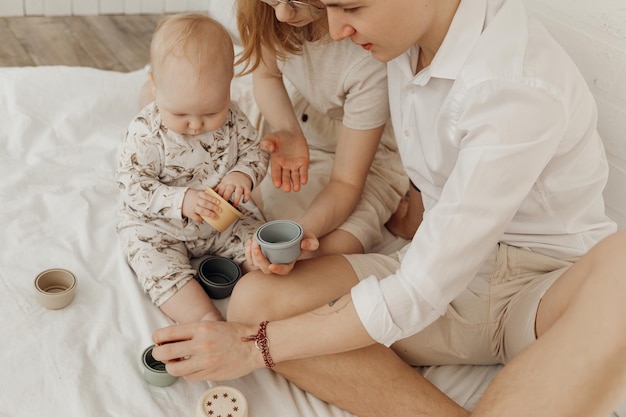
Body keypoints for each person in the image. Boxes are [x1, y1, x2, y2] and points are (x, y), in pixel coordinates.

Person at [152, 0, 626, 416]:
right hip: (450, 281)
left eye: (352, 8)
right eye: (330, 7)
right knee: (255, 300)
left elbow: (420, 288)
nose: (335, 30)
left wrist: (257, 349)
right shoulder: (401, 43)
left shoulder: (515, 84)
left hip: (539, 290)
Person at [232, 0, 409, 271]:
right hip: (296, 115)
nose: (282, 14)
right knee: (171, 98)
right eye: (274, 1)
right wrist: (288, 128)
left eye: (296, 2)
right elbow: (266, 76)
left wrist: (299, 236)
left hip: (365, 151)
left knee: (338, 244)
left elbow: (346, 183)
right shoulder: (263, 12)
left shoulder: (367, 58)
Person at [117, 13, 268, 324]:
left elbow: (255, 151)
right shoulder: (146, 132)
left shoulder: (233, 119)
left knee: (260, 243)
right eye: (181, 113)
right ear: (155, 86)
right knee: (153, 263)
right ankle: (203, 317)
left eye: (211, 111)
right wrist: (180, 200)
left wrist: (244, 174)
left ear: (229, 86)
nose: (197, 124)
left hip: (221, 224)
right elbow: (132, 185)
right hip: (158, 227)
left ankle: (266, 280)